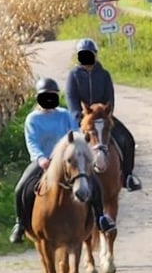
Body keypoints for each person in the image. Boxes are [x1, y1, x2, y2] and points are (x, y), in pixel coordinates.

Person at [9, 77, 116, 244]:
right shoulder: (33, 119)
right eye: (45, 95)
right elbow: (32, 142)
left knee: (94, 183)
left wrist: (78, 150)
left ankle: (101, 218)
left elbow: (75, 133)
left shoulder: (64, 114)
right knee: (21, 188)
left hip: (67, 160)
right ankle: (20, 223)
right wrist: (40, 158)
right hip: (43, 162)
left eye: (52, 95)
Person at [65, 38, 142, 192]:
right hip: (84, 119)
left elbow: (110, 98)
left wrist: (107, 114)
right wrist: (79, 118)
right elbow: (71, 99)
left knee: (127, 139)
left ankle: (127, 176)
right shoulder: (73, 76)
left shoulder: (104, 74)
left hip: (103, 118)